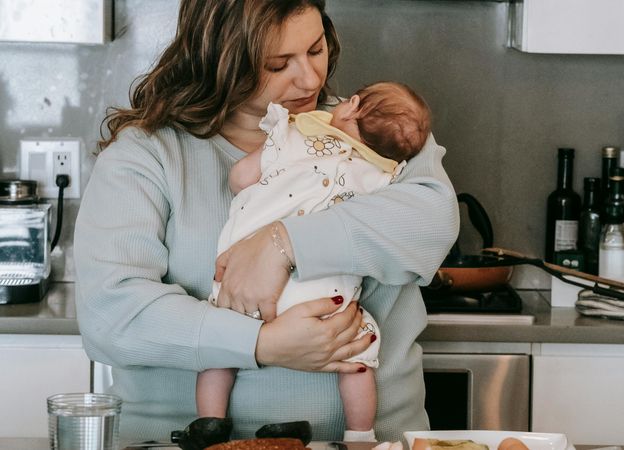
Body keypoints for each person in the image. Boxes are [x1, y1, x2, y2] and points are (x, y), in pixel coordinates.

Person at [73, 0, 458, 444]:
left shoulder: (378, 135)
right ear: (219, 61)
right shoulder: (146, 156)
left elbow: (432, 222)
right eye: (277, 64)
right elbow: (111, 317)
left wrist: (284, 243)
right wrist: (262, 343)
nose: (311, 78)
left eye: (316, 50)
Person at [199, 81, 433, 442]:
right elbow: (408, 220)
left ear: (351, 105)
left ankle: (210, 426)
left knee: (218, 353)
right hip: (325, 299)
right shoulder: (383, 175)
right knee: (357, 359)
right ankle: (360, 435)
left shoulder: (293, 135)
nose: (308, 77)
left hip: (242, 288)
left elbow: (241, 177)